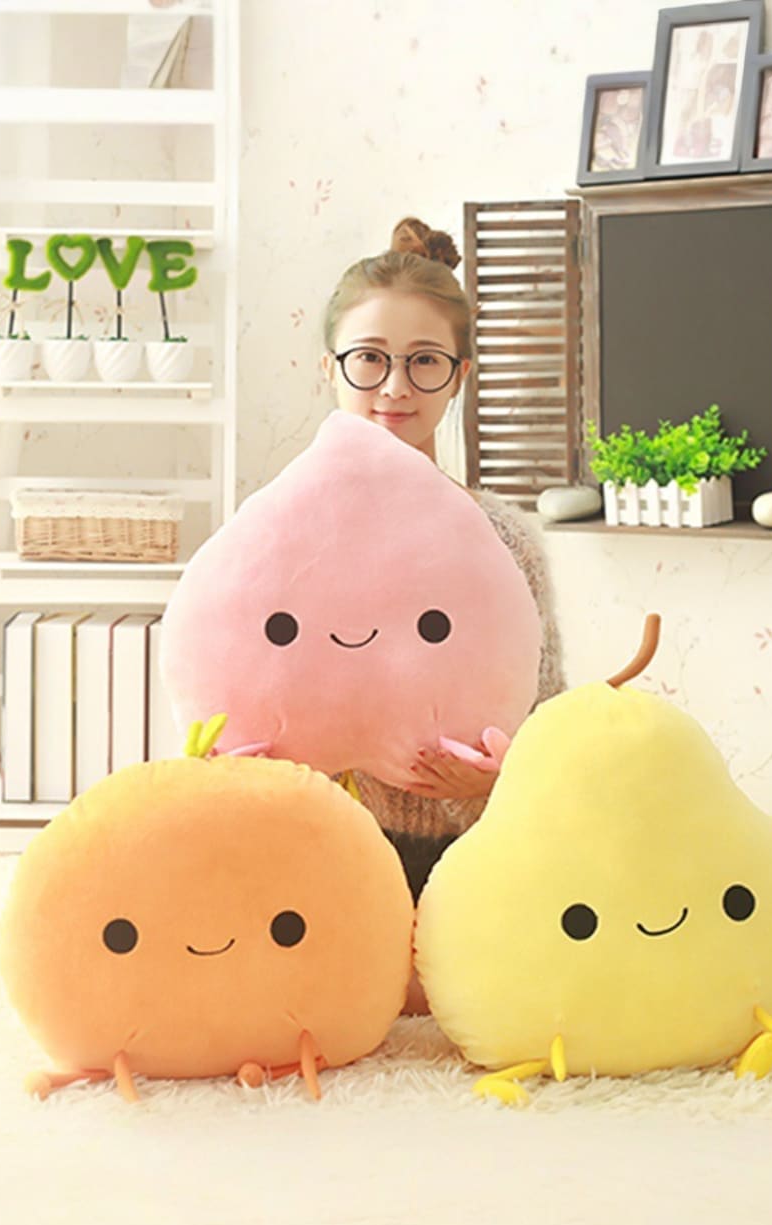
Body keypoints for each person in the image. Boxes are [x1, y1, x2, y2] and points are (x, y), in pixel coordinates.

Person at [321, 216, 565, 1006]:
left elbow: (546, 719)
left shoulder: (504, 539)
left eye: (424, 362)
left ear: (458, 376)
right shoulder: (286, 537)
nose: (395, 388)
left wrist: (488, 778)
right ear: (331, 369)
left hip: (478, 846)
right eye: (370, 359)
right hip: (326, 844)